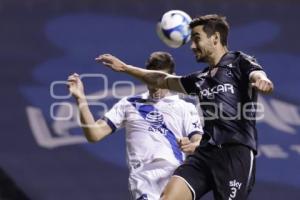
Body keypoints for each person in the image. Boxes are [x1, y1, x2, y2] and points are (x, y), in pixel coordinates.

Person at [95, 14, 274, 200]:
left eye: (197, 39)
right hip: (205, 153)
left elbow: (257, 73)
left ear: (215, 38)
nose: (192, 46)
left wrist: (262, 80)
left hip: (234, 154)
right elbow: (161, 79)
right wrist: (125, 68)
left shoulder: (239, 62)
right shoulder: (199, 79)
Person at [67, 51, 203, 200]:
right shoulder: (129, 104)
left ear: (170, 78)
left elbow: (199, 140)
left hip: (176, 176)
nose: (156, 84)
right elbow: (94, 134)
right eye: (151, 78)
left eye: (160, 78)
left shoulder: (184, 107)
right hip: (143, 179)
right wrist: (81, 99)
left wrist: (192, 144)